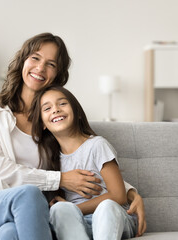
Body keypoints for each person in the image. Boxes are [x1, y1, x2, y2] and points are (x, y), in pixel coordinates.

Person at [0, 32, 146, 240]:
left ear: (57, 74)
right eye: (35, 58)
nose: (40, 68)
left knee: (8, 234)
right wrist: (59, 179)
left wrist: (131, 193)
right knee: (29, 193)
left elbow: (81, 160)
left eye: (51, 64)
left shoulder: (52, 126)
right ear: (23, 61)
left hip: (24, 218)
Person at [30, 85, 138, 240]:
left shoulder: (97, 145)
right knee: (59, 209)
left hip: (116, 218)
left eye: (62, 103)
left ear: (77, 112)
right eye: (47, 108)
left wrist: (74, 208)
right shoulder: (50, 160)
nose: (55, 109)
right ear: (43, 124)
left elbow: (119, 195)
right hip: (81, 224)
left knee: (105, 207)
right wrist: (66, 208)